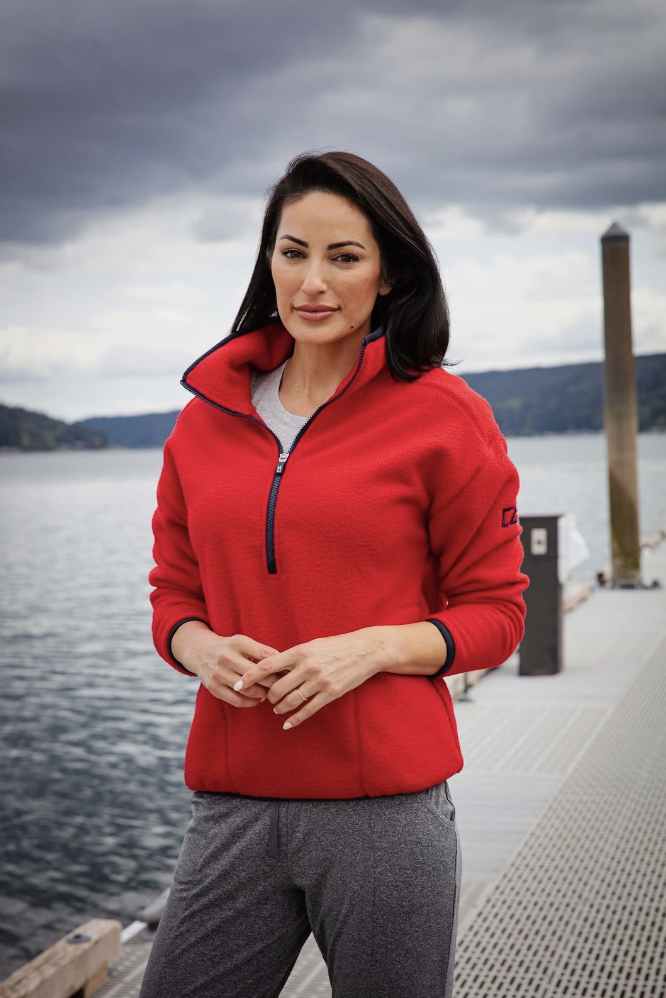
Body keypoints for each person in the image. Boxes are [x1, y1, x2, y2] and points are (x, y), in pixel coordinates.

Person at [139, 150, 528, 998]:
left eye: (344, 257)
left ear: (389, 275)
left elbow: (498, 613)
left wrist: (373, 649)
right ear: (269, 260)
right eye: (293, 252)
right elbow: (173, 591)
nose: (313, 281)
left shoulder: (446, 418)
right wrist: (199, 649)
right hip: (233, 803)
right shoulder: (203, 422)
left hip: (385, 811)